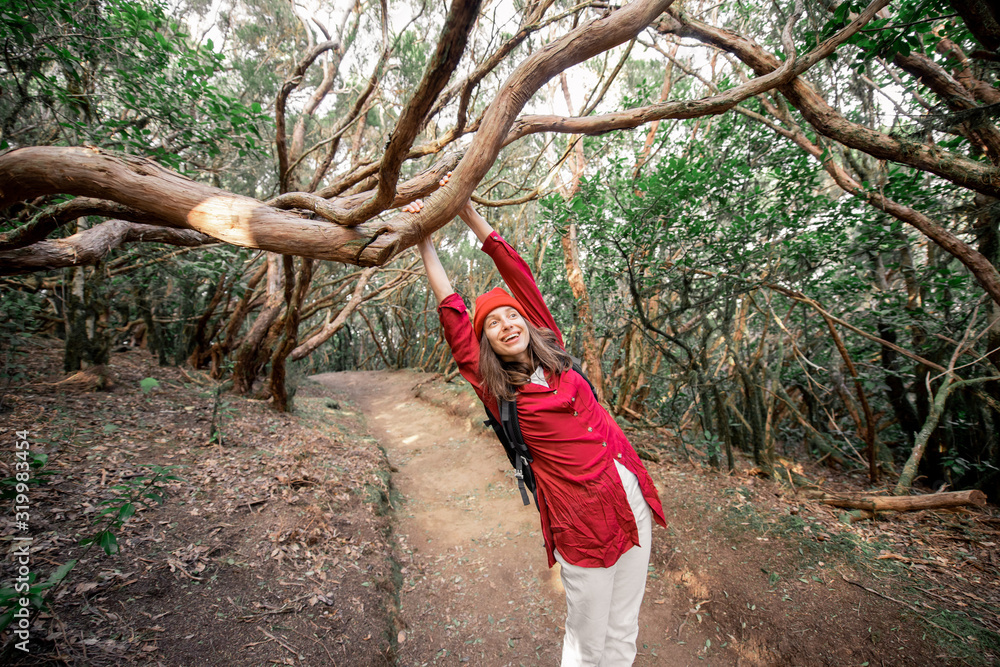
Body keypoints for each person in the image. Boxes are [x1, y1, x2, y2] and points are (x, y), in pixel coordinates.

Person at [405, 193, 666, 667]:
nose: (506, 324)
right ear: (484, 342)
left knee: (624, 628)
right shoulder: (496, 387)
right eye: (492, 324)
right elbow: (451, 310)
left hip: (631, 496)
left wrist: (466, 208)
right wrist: (424, 238)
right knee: (587, 645)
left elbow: (516, 273)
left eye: (511, 315)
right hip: (581, 521)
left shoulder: (554, 349)